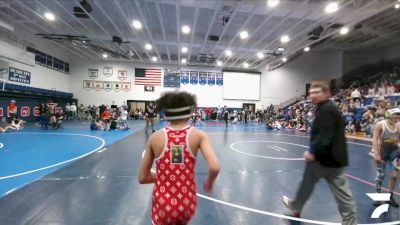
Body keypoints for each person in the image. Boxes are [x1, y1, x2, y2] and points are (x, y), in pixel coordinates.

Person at [138, 91, 220, 225]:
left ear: (166, 114)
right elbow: (215, 167)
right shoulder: (199, 136)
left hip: (163, 203)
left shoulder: (155, 138)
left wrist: (165, 178)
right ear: (189, 112)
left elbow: (142, 178)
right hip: (187, 202)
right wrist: (209, 182)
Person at [282, 82, 357, 225]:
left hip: (326, 159)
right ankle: (296, 205)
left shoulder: (327, 110)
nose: (313, 95)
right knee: (307, 184)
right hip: (328, 159)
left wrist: (312, 151)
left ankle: (350, 221)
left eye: (317, 92)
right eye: (311, 92)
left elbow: (325, 135)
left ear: (327, 93)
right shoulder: (324, 108)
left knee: (342, 196)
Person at [372, 108, 400, 207]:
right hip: (383, 152)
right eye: (396, 114)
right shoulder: (380, 125)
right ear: (389, 114)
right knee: (380, 176)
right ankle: (377, 195)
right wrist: (376, 154)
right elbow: (375, 139)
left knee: (394, 176)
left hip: (394, 153)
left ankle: (390, 197)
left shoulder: (399, 125)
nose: (398, 116)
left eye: (399, 114)